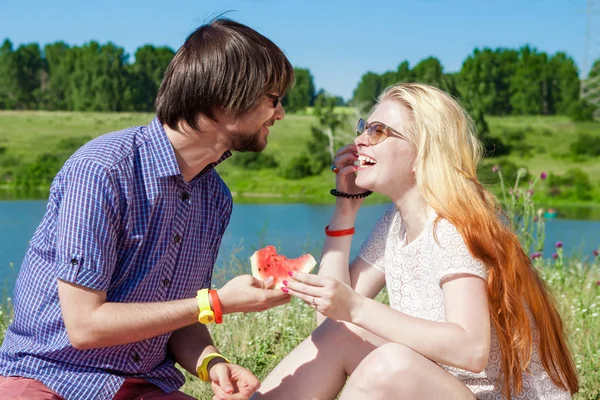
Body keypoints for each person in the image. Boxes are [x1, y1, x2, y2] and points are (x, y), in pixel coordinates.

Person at [0, 18, 294, 400]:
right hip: (50, 376)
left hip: (142, 386)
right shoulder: (103, 172)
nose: (281, 113)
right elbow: (85, 325)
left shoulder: (215, 198)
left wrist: (212, 364)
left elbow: (181, 317)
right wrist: (217, 302)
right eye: (273, 98)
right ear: (223, 99)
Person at [252, 83, 579, 400]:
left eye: (377, 131)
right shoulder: (394, 224)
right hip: (441, 388)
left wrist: (355, 307)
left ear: (423, 151)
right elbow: (332, 321)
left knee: (391, 364)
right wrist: (344, 210)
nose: (359, 140)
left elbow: (472, 349)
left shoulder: (455, 226)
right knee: (340, 334)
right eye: (363, 127)